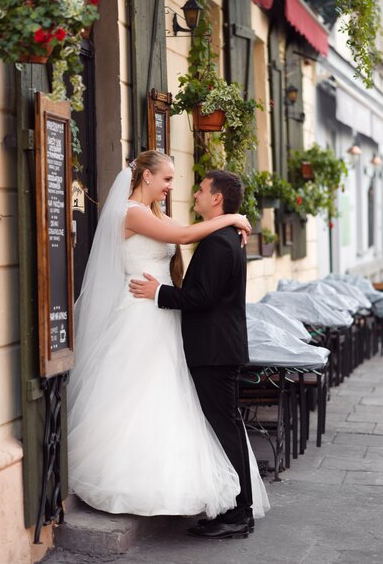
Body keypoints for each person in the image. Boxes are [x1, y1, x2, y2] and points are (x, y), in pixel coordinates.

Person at [67, 150, 261, 526]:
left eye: (175, 180)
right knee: (137, 393)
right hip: (141, 310)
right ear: (146, 178)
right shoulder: (132, 212)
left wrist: (227, 222)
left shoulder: (155, 214)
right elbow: (187, 234)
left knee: (171, 396)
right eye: (168, 179)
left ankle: (221, 500)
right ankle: (131, 480)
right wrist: (234, 218)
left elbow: (188, 233)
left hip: (166, 316)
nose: (173, 186)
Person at [130, 169, 270, 539]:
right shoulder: (226, 237)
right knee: (225, 425)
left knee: (225, 426)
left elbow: (200, 298)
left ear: (217, 199)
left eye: (201, 190)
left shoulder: (219, 242)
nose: (194, 194)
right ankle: (235, 509)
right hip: (218, 348)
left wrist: (159, 292)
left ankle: (240, 514)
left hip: (214, 350)